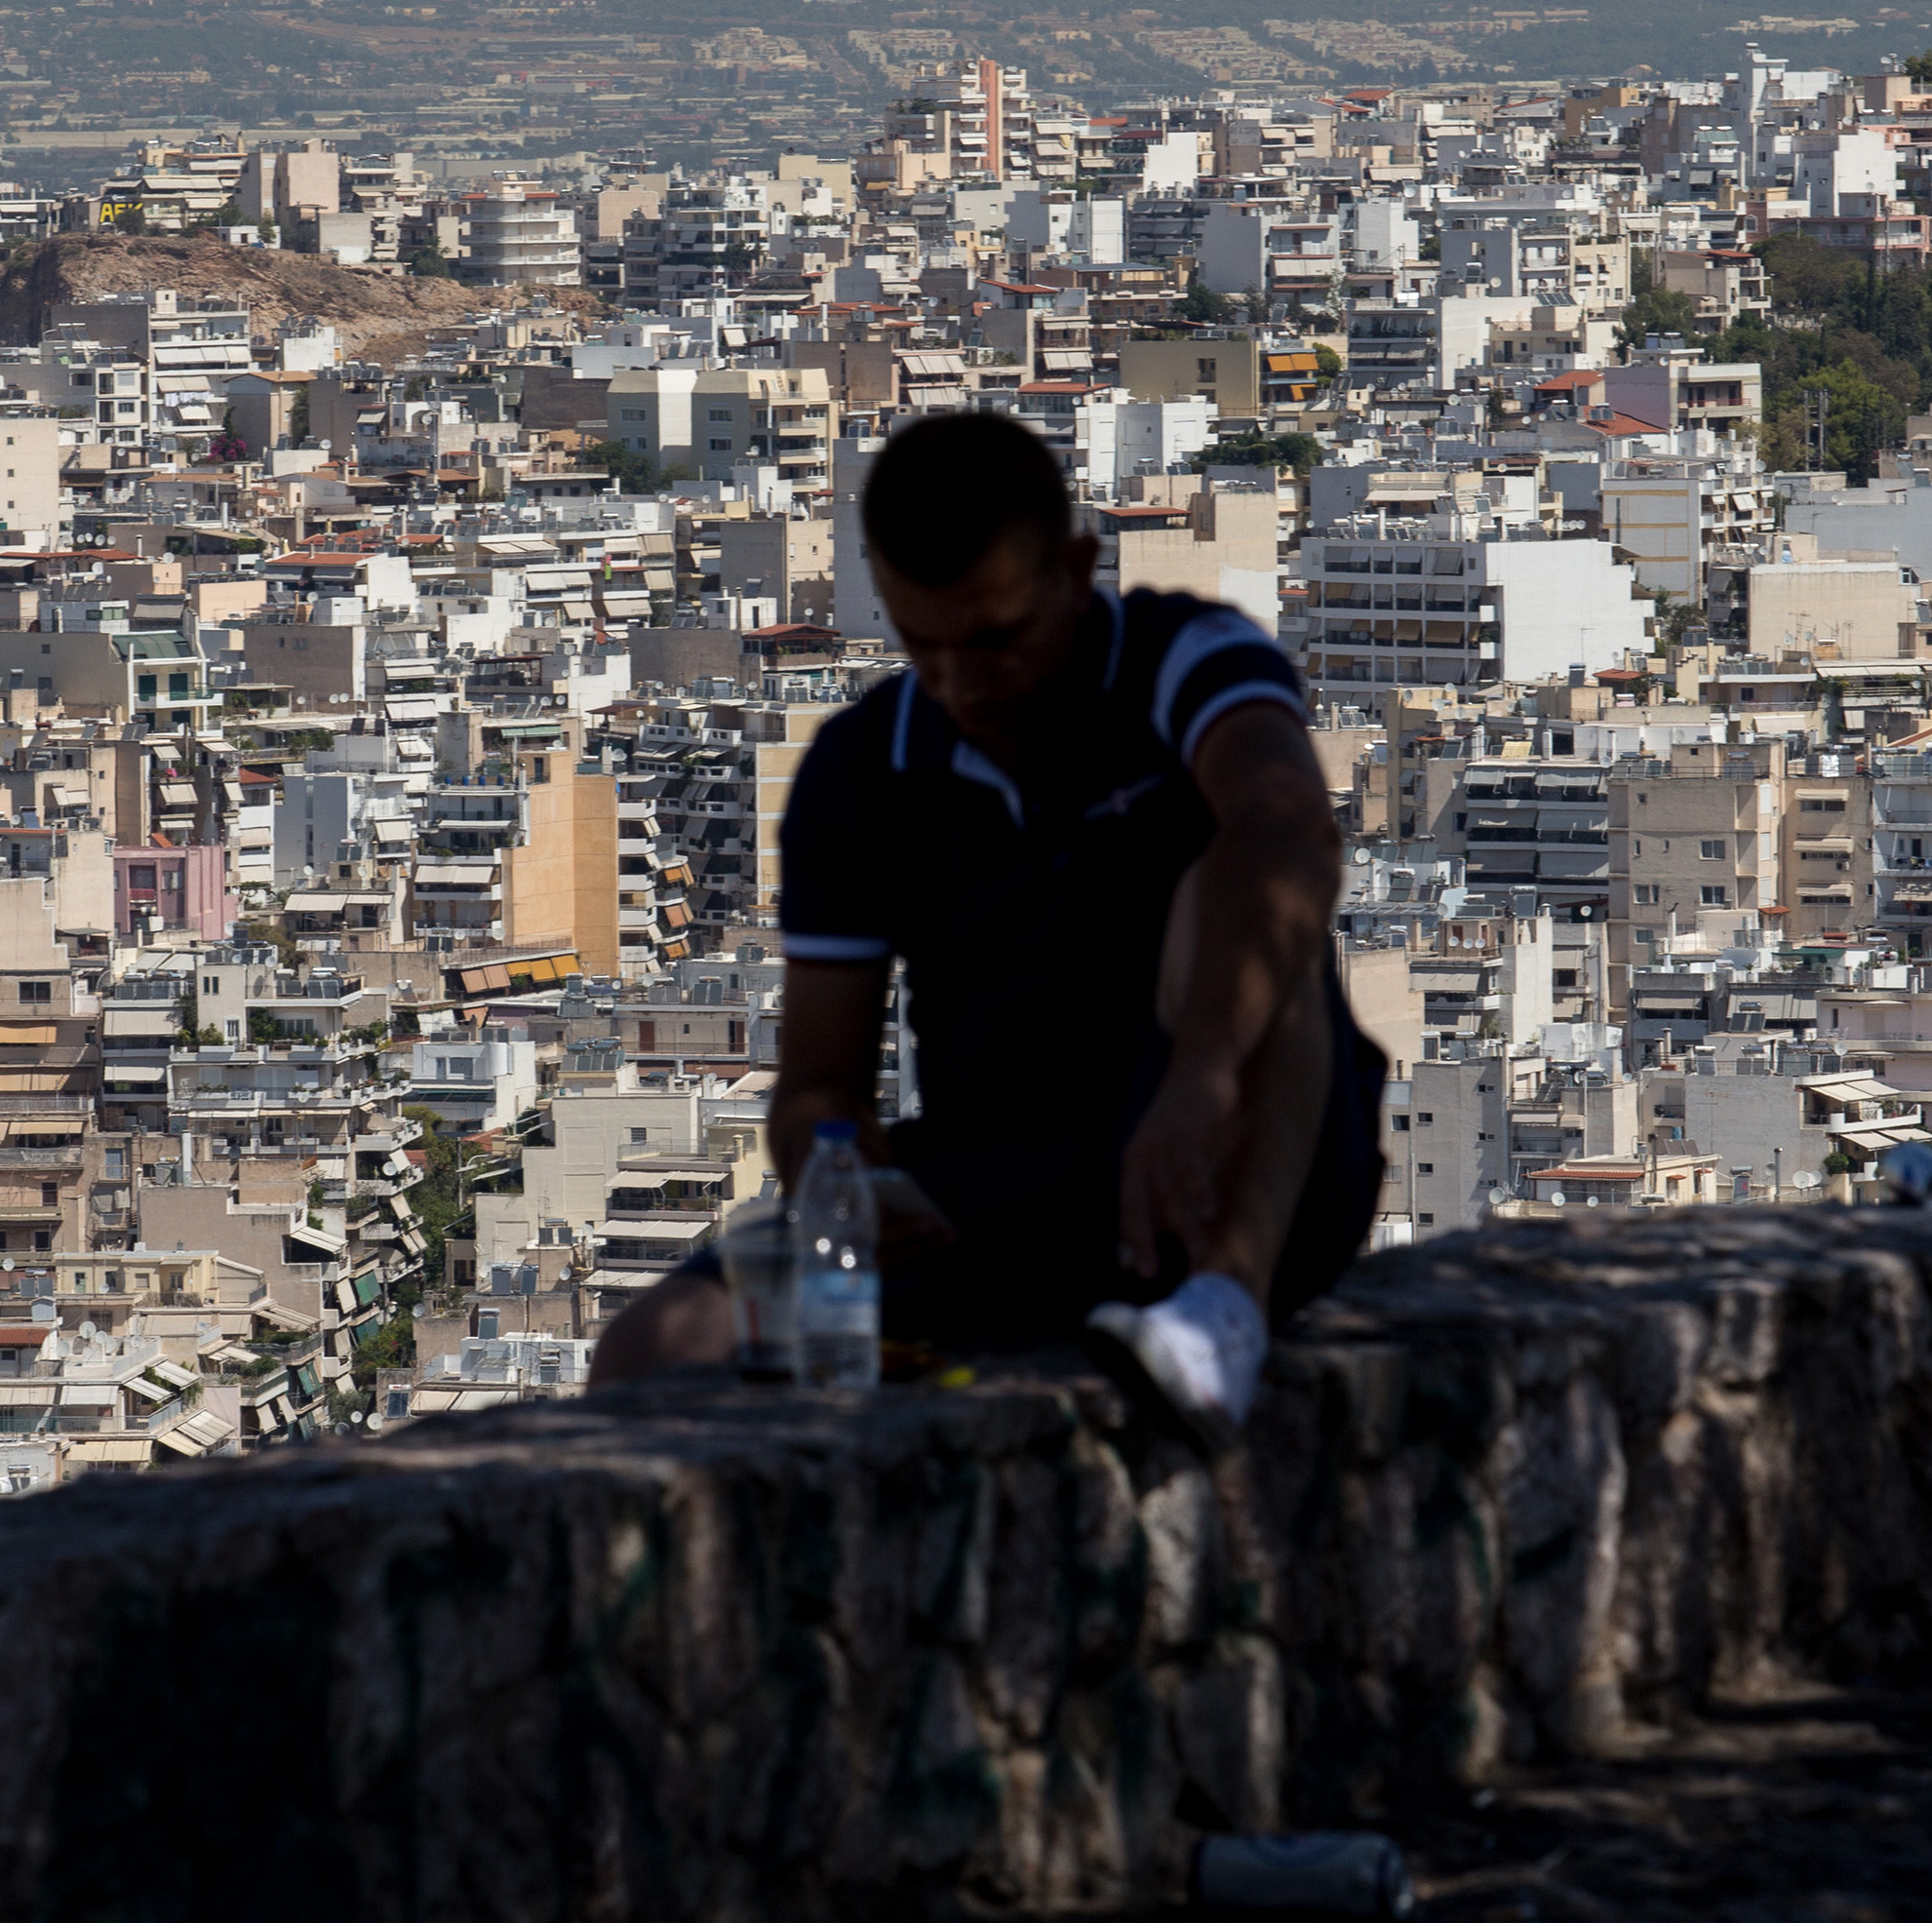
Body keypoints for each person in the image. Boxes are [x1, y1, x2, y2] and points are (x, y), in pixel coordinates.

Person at [589, 411, 1385, 1443]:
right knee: (649, 1350)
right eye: (925, 647)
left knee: (1235, 887)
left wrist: (1201, 1081)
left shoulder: (1178, 662)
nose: (966, 685)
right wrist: (847, 1179)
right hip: (1003, 1184)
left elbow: (1290, 837)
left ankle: (1219, 1316)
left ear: (1075, 568)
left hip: (1231, 1159)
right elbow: (821, 1085)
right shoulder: (863, 768)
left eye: (997, 638)